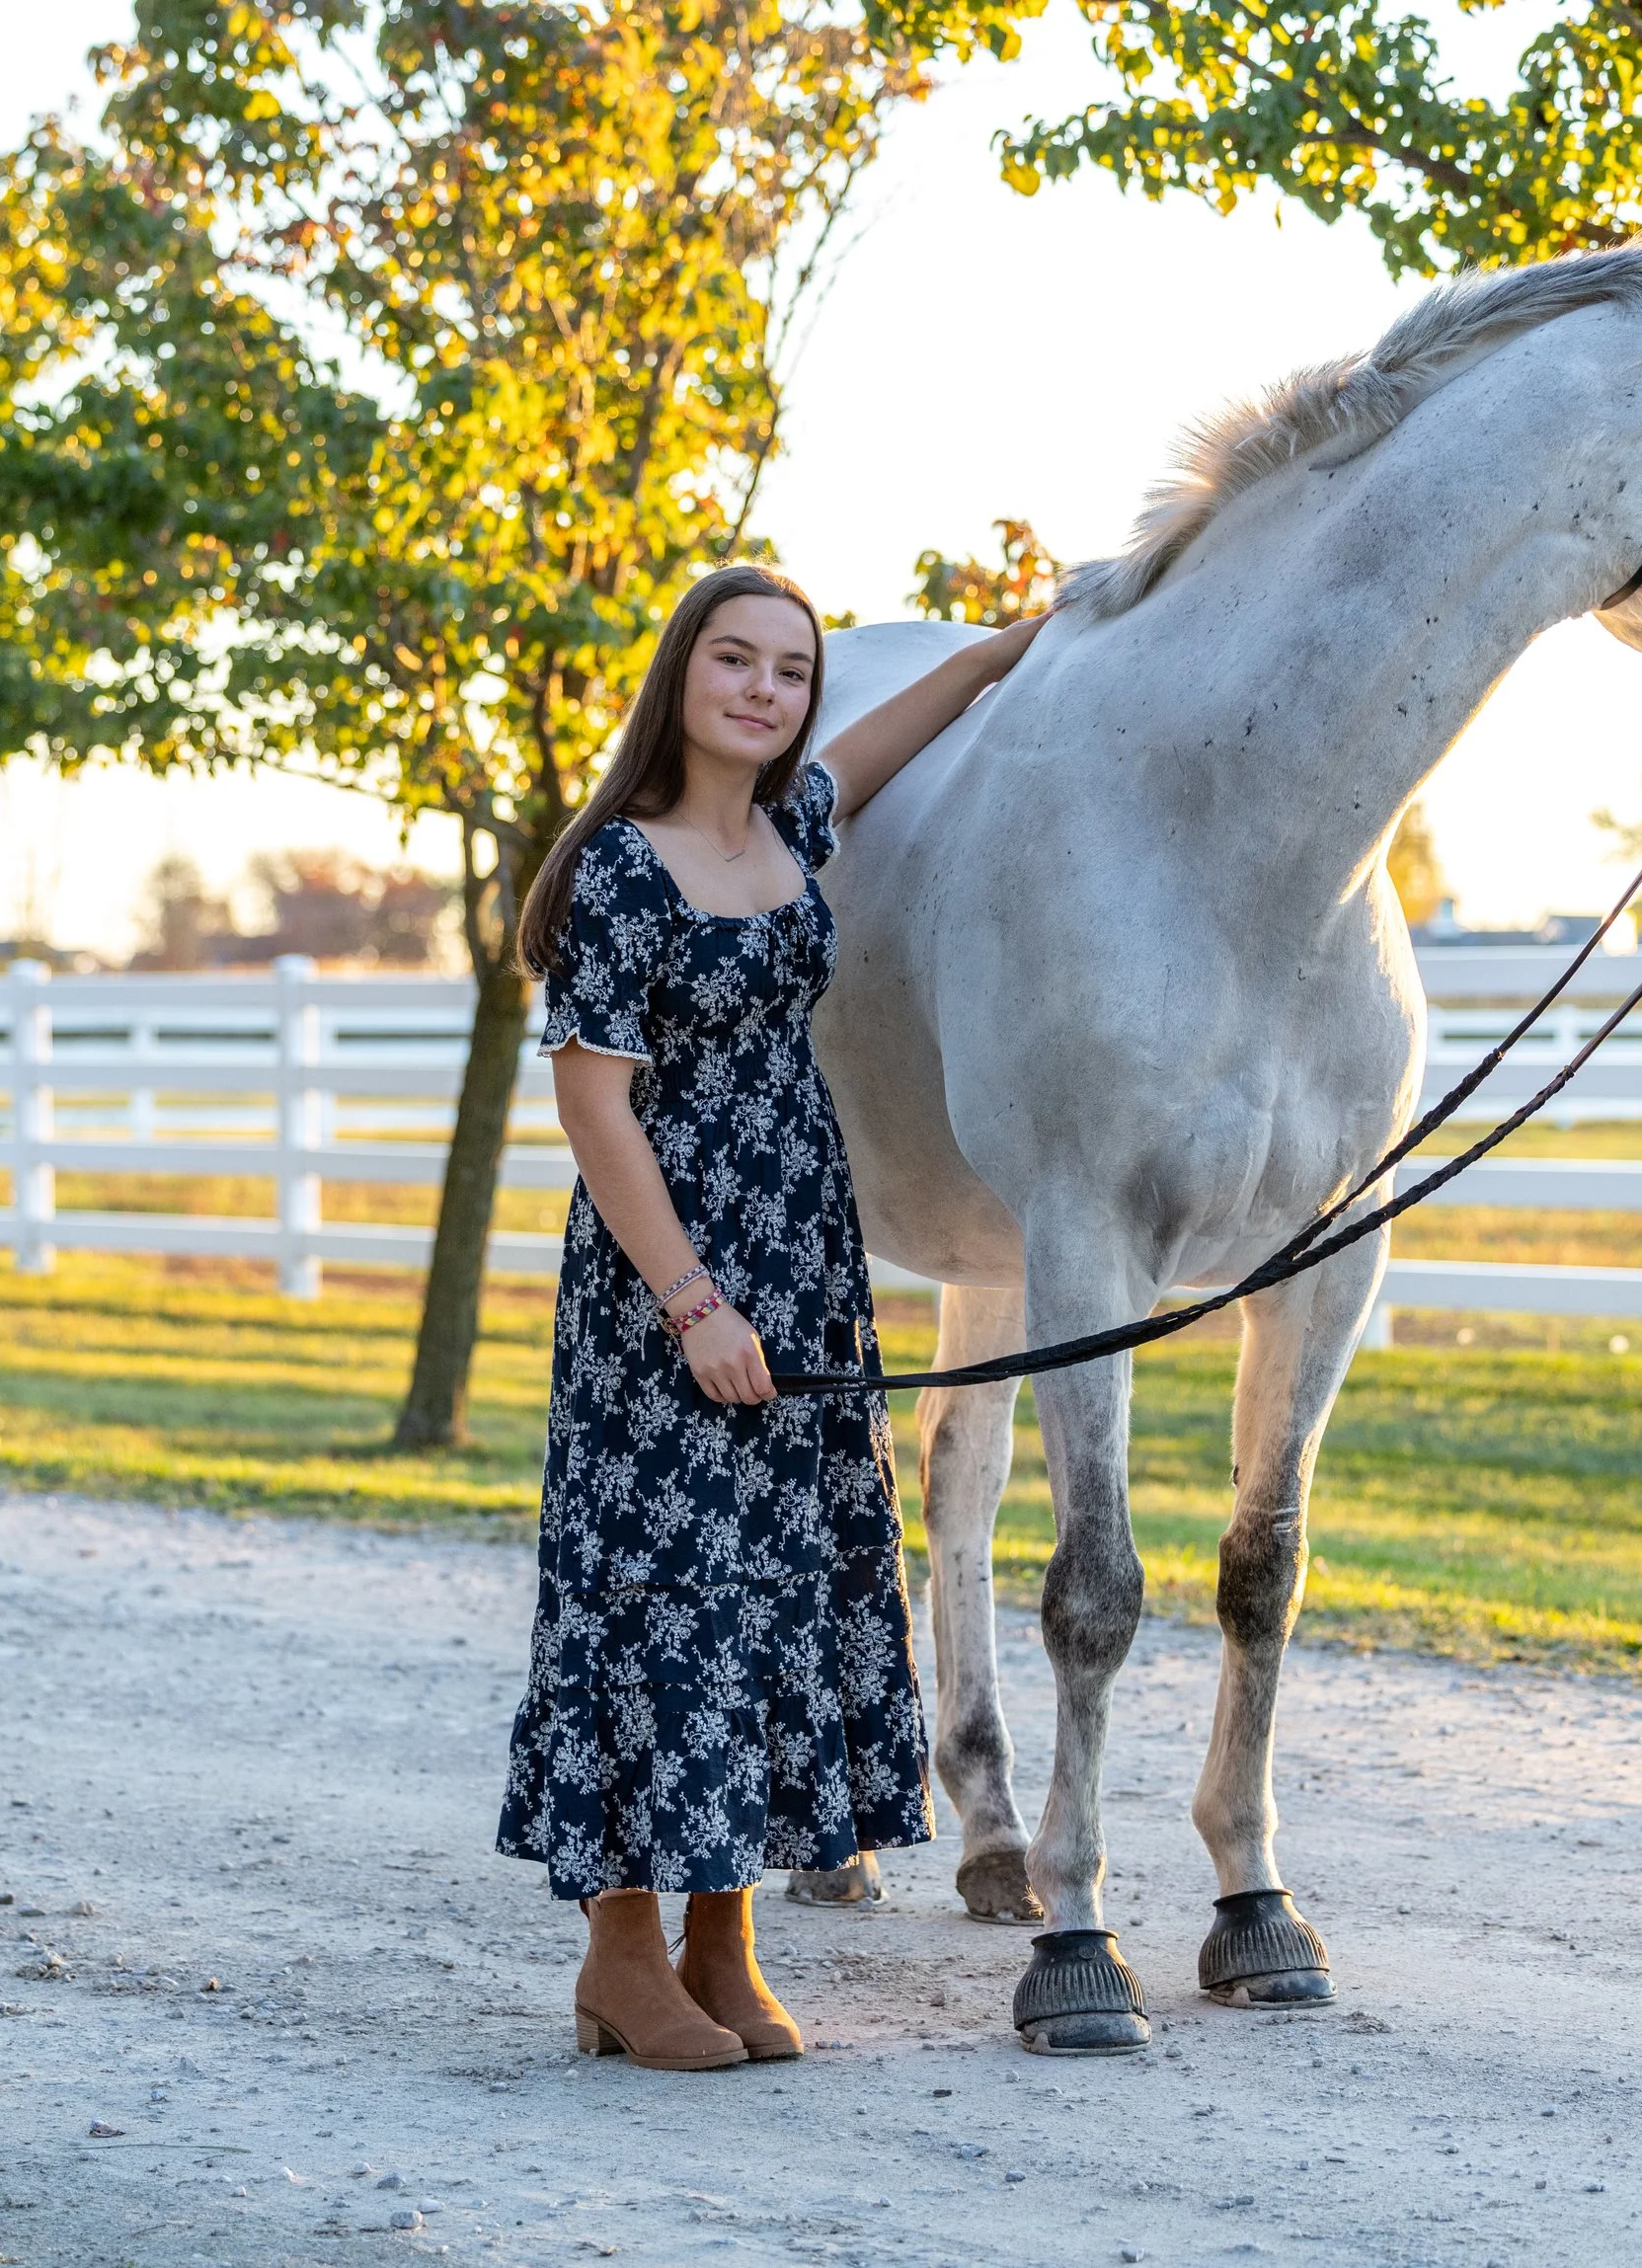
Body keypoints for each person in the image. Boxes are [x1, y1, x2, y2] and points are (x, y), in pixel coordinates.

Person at [499, 563, 1051, 2070]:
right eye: (734, 660)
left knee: (778, 1589)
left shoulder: (793, 825)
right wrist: (692, 1304)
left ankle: (723, 1941)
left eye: (792, 671)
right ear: (681, 676)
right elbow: (594, 1105)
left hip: (803, 1258)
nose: (764, 689)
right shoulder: (620, 867)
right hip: (665, 1284)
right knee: (660, 1598)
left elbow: (891, 734)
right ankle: (622, 1953)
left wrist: (1005, 650)